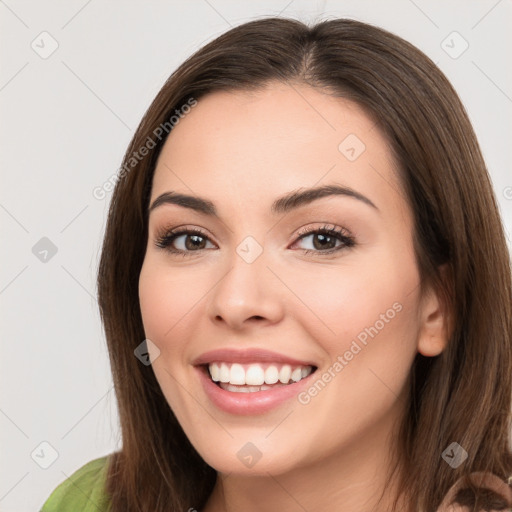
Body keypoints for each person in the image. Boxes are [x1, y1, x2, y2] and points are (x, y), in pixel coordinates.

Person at [41, 16, 512, 512]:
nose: (237, 301)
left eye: (322, 239)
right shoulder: (91, 502)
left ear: (439, 303)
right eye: (190, 239)